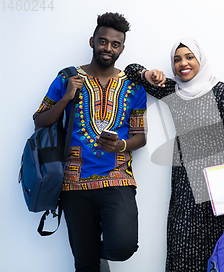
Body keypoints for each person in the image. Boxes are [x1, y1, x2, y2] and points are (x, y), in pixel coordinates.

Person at [124, 38, 224, 271]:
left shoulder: (223, 92)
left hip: (222, 185)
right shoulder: (174, 91)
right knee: (185, 247)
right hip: (187, 184)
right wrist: (147, 73)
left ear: (200, 60)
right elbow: (130, 71)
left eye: (189, 57)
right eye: (177, 59)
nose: (183, 63)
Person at [33, 12, 147, 272]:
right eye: (103, 41)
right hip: (74, 183)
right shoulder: (67, 77)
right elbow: (39, 120)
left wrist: (121, 146)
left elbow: (140, 137)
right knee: (85, 265)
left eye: (115, 44)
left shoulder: (133, 86)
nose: (108, 48)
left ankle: (93, 251)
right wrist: (65, 98)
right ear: (92, 41)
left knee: (123, 246)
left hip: (117, 179)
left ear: (122, 48)